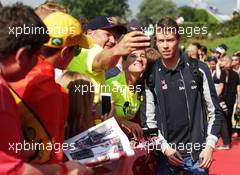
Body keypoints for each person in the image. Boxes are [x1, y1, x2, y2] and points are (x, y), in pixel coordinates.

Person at [0, 3, 91, 174]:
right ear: (21, 55)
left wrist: (23, 149)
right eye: (36, 56)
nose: (37, 62)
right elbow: (12, 171)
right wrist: (65, 170)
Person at [140, 17, 223, 174]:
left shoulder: (199, 69)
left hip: (196, 156)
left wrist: (209, 146)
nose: (165, 45)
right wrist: (165, 149)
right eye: (160, 40)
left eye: (170, 40)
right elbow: (148, 122)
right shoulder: (150, 75)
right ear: (155, 41)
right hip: (165, 157)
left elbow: (215, 112)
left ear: (179, 39)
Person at [10, 12, 93, 163]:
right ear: (64, 52)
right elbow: (50, 157)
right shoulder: (54, 93)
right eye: (77, 51)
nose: (75, 56)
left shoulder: (13, 73)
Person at [67, 16, 151, 103]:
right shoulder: (90, 50)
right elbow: (100, 60)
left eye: (115, 37)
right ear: (90, 33)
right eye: (107, 34)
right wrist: (119, 48)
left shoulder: (81, 51)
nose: (113, 40)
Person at [217, 56, 240, 150]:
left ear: (226, 62)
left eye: (222, 61)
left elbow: (221, 86)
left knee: (223, 120)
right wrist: (238, 101)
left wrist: (215, 97)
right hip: (232, 100)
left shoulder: (224, 72)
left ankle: (226, 143)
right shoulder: (236, 74)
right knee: (228, 120)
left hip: (224, 99)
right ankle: (228, 141)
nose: (220, 62)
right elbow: (238, 89)